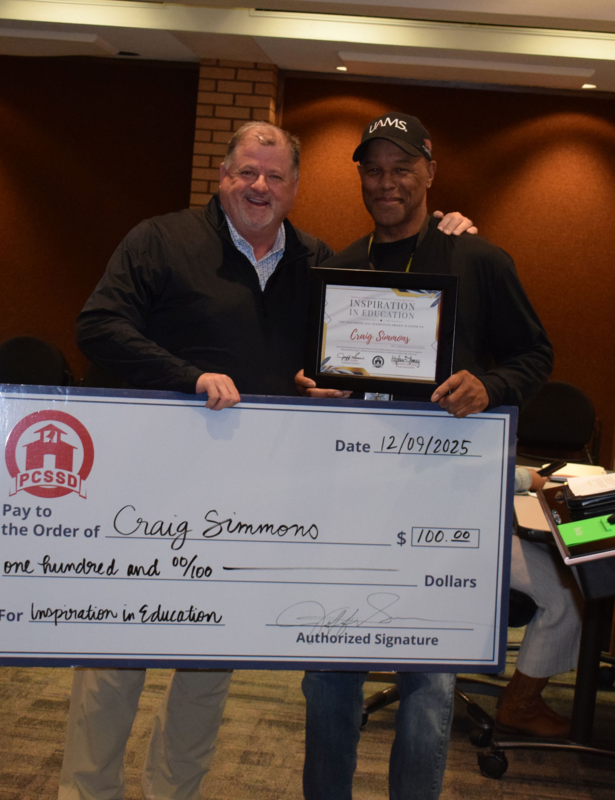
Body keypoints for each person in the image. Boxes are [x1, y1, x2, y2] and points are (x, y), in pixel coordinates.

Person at [60, 120, 475, 800]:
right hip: (143, 496)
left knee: (208, 661)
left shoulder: (315, 261)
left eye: (274, 176)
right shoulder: (160, 239)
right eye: (246, 172)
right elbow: (98, 325)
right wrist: (187, 377)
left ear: (294, 187)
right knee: (114, 660)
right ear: (222, 175)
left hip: (241, 503)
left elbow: (361, 332)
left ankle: (174, 794)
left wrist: (446, 235)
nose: (259, 186)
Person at [297, 111, 554, 800]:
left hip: (443, 507)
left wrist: (490, 385)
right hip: (350, 505)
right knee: (327, 674)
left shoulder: (478, 260)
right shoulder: (341, 268)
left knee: (429, 682)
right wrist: (311, 388)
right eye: (373, 170)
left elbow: (535, 354)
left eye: (402, 168)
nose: (386, 183)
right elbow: (316, 371)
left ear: (430, 173)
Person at [497, 467, 582, 737]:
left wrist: (522, 475)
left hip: (476, 521)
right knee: (567, 595)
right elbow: (472, 473)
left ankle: (520, 694)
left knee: (571, 563)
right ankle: (520, 707)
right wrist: (525, 479)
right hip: (457, 538)